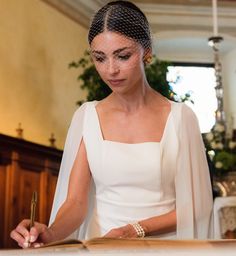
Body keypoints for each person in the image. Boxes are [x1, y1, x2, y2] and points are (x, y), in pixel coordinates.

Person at [10, 0, 213, 248]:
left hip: (164, 248)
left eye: (123, 56)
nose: (111, 70)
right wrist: (49, 234)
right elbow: (75, 202)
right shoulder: (88, 116)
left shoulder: (181, 117)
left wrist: (135, 230)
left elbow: (197, 206)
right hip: (101, 247)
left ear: (147, 51)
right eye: (100, 58)